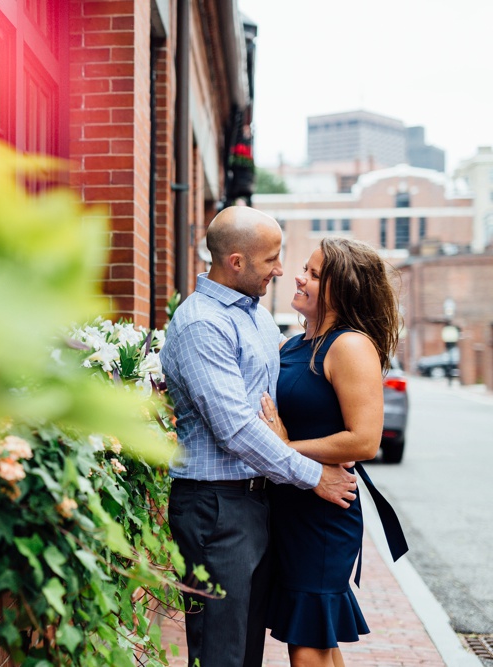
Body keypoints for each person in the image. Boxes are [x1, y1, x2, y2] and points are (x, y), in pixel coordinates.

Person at [159, 206, 359, 667]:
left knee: (246, 651)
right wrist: (314, 476)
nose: (281, 269)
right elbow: (236, 430)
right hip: (215, 510)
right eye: (272, 258)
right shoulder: (201, 324)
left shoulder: (257, 318)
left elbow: (276, 403)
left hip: (257, 504)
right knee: (220, 652)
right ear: (237, 262)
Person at [258, 237, 407, 667]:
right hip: (293, 504)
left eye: (314, 274)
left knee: (307, 644)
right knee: (315, 639)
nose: (299, 277)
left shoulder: (349, 346)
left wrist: (284, 448)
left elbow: (364, 440)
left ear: (340, 290)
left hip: (324, 513)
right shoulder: (293, 344)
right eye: (305, 267)